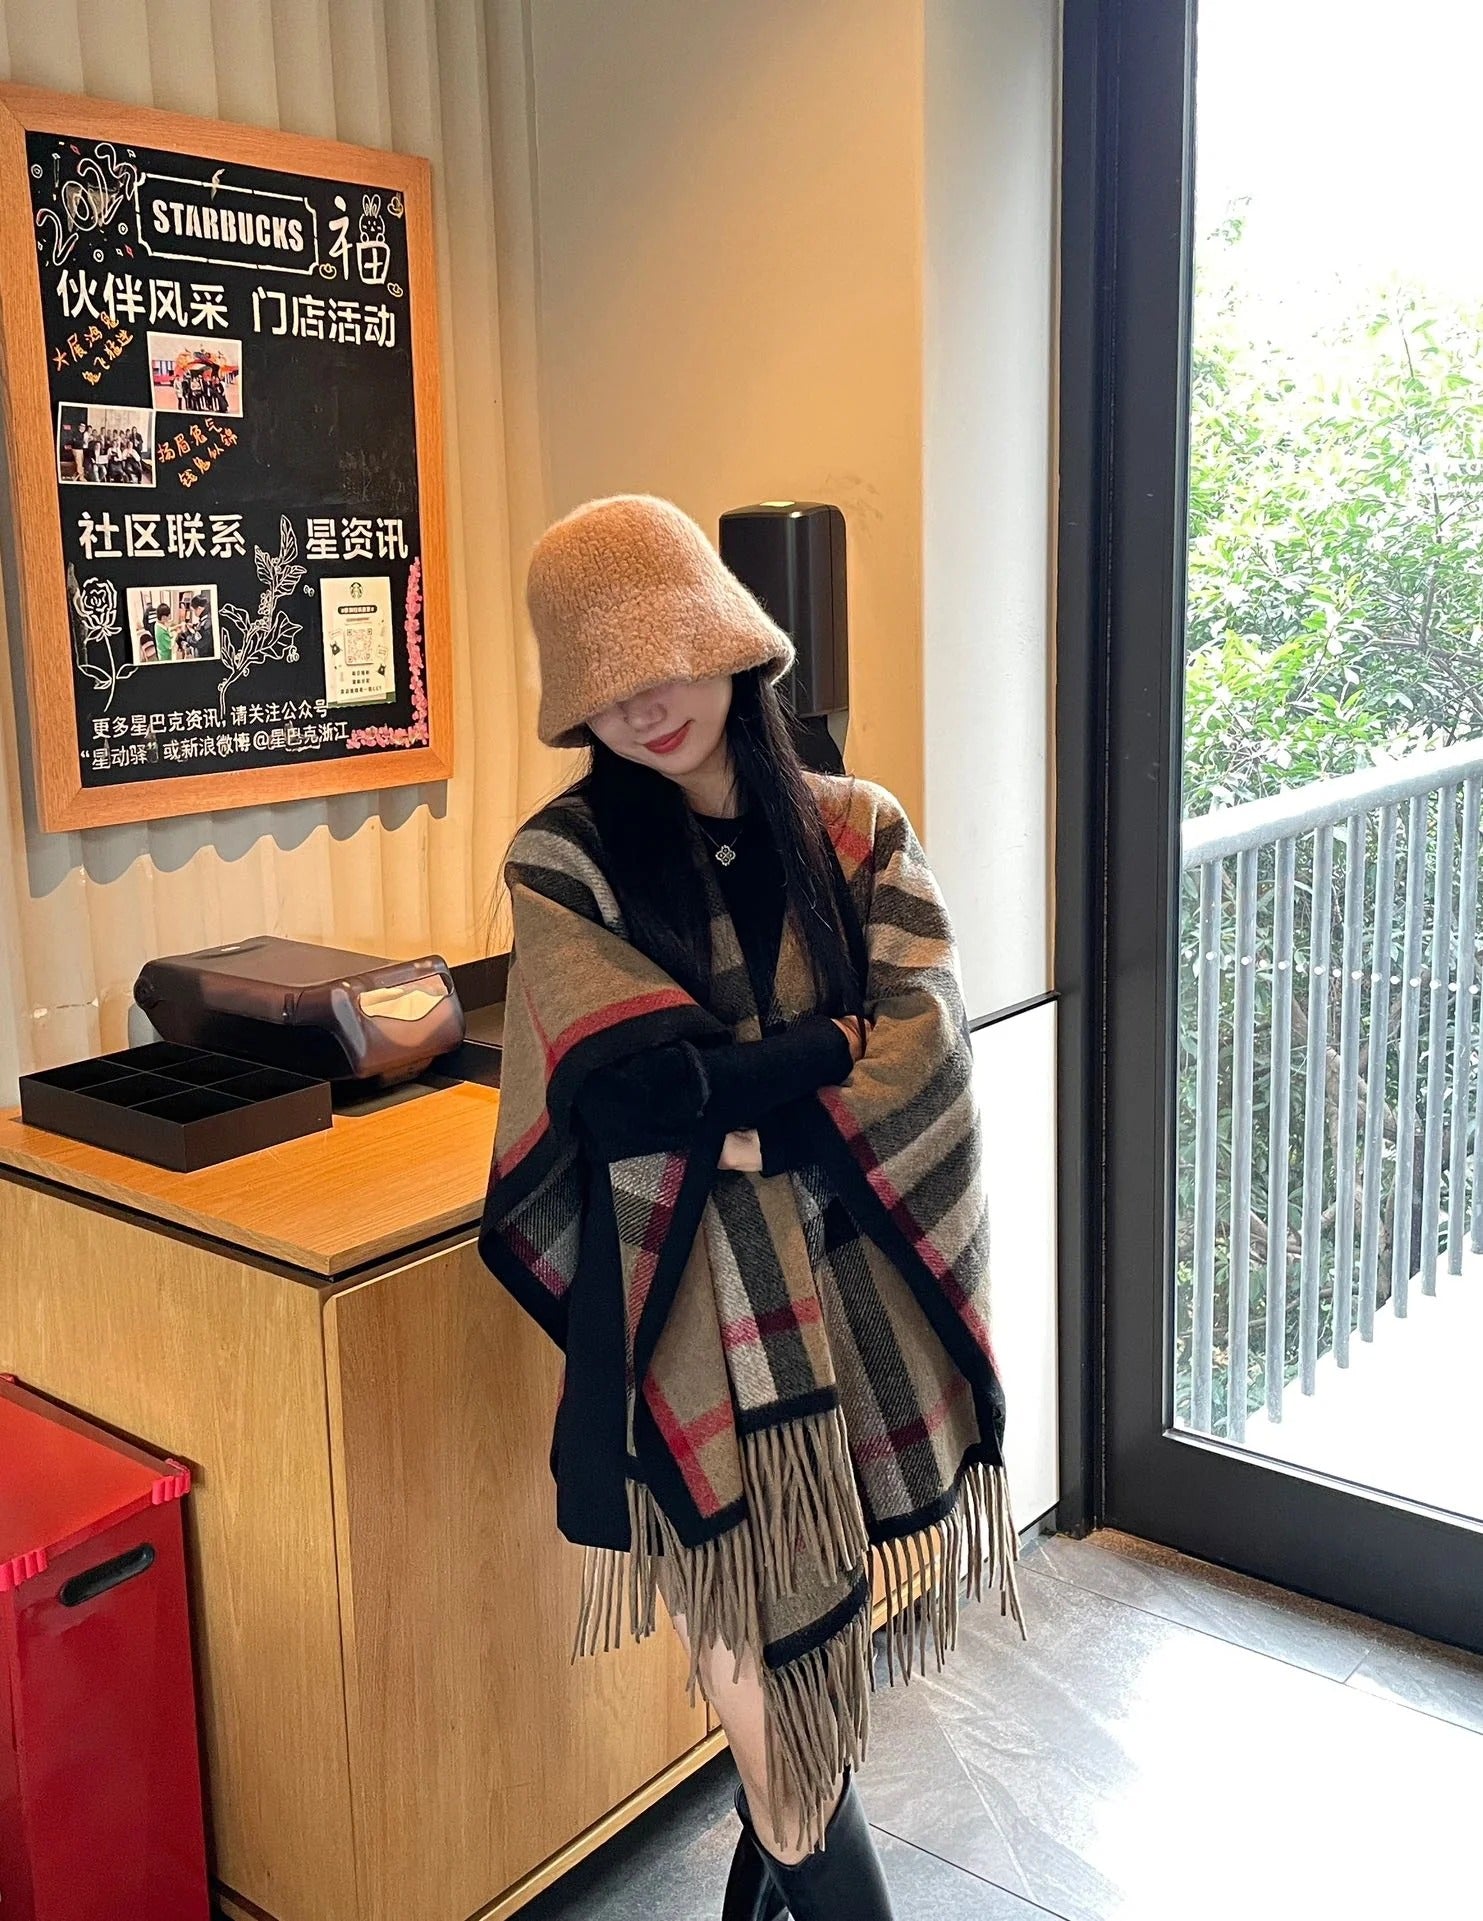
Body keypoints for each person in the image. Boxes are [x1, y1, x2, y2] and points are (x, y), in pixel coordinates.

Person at [479, 495, 1024, 1921]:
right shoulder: (565, 861)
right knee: (765, 1701)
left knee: (808, 1682)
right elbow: (624, 1100)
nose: (644, 703)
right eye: (604, 682)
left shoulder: (856, 830)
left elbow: (927, 1049)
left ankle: (762, 1881)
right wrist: (824, 1052)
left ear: (729, 642)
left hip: (844, 1302)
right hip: (681, 1325)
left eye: (665, 658)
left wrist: (744, 1115)